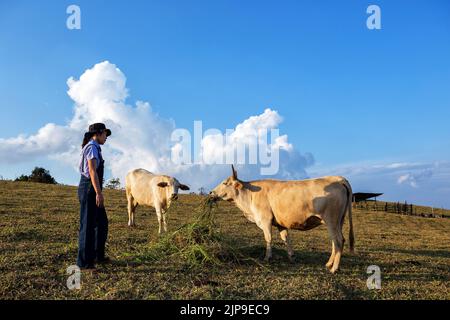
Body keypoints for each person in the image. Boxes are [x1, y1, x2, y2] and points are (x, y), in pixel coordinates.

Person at [77, 123, 112, 269]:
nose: (106, 138)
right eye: (105, 134)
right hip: (89, 189)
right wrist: (98, 193)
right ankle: (85, 262)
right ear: (98, 133)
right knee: (88, 225)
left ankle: (98, 256)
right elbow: (92, 171)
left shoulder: (96, 147)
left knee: (102, 223)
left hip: (93, 188)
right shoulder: (91, 147)